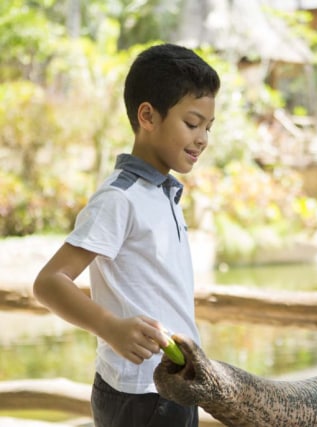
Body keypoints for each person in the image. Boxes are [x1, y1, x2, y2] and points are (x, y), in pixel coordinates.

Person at [33, 43, 220, 427]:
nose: (202, 138)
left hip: (174, 387)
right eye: (192, 123)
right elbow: (49, 282)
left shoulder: (162, 191)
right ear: (148, 116)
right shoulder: (120, 197)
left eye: (208, 127)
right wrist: (111, 328)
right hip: (140, 398)